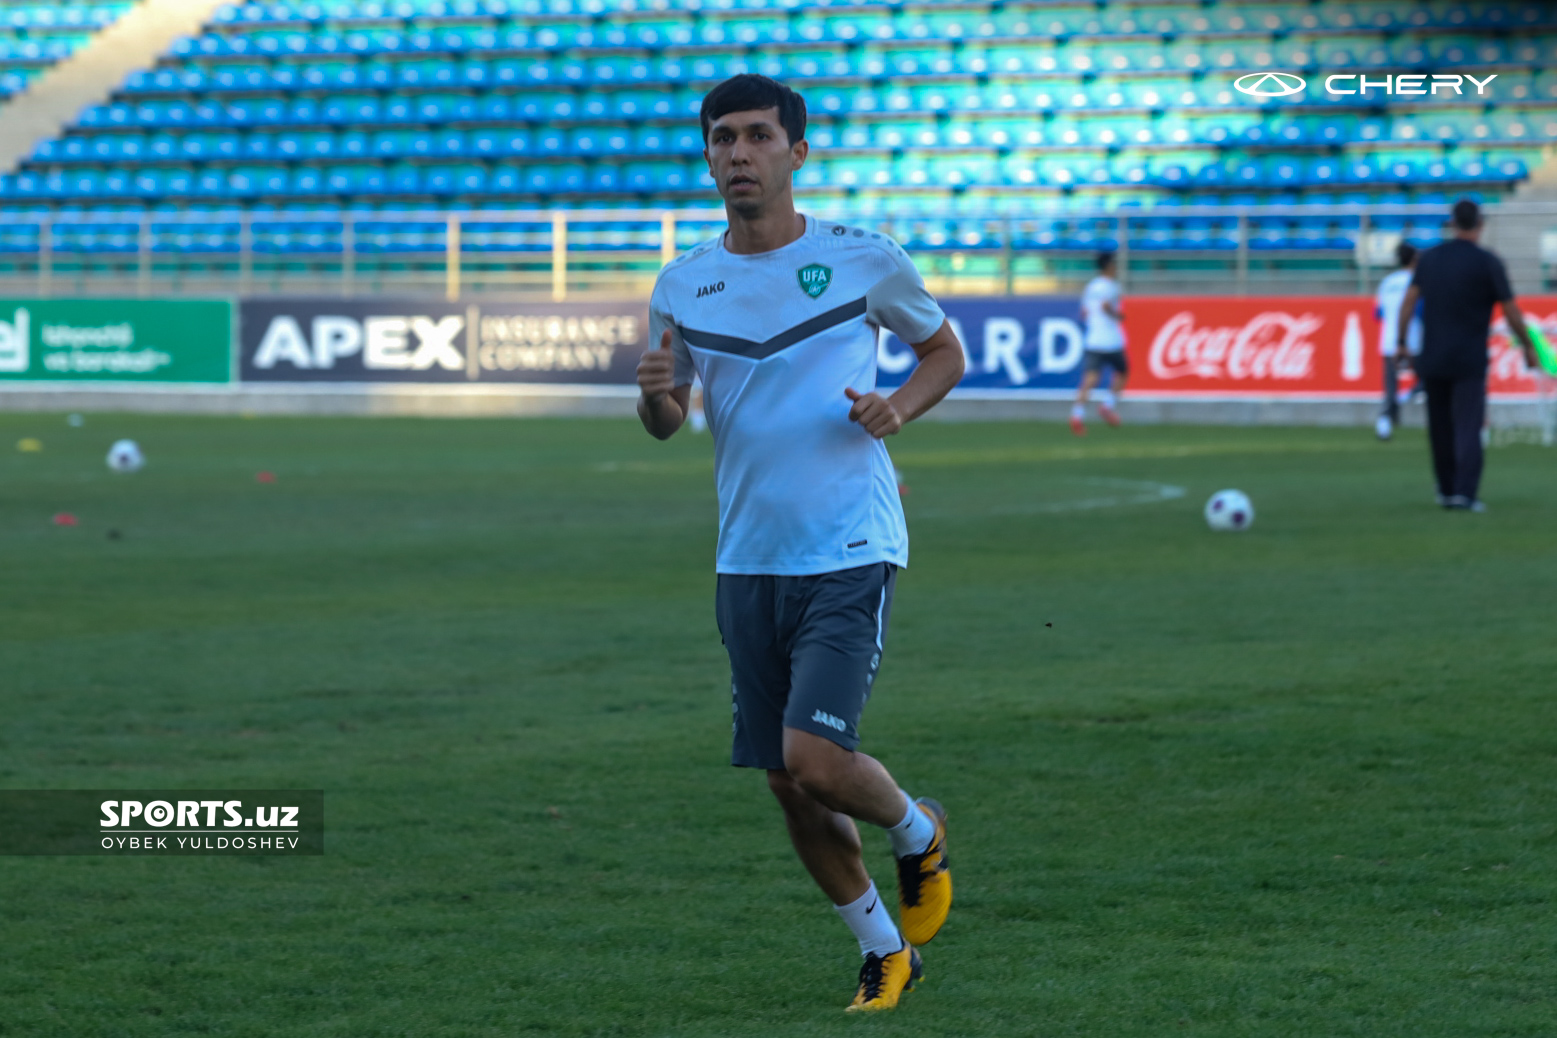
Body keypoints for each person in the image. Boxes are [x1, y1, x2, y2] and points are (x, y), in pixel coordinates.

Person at [635, 74, 965, 1013]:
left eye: (756, 138)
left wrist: (894, 406)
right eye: (721, 139)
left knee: (818, 760)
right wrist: (654, 391)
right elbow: (667, 420)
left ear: (796, 153)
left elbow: (943, 352)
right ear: (706, 156)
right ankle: (885, 950)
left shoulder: (862, 261)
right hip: (746, 558)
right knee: (788, 786)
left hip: (847, 545)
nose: (737, 154)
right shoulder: (682, 281)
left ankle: (916, 830)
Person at [1397, 199, 1538, 510]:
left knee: (1440, 427)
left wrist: (1402, 341)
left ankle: (1445, 490)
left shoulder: (1430, 259)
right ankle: (1465, 493)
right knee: (1467, 425)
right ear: (1480, 224)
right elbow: (1510, 309)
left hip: (1432, 355)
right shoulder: (1487, 261)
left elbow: (1408, 302)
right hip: (1468, 357)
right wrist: (1527, 344)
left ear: (1452, 222)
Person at [1070, 251, 1127, 436]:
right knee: (1123, 372)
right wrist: (1117, 315)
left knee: (1089, 380)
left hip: (1093, 339)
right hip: (1110, 340)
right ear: (1109, 266)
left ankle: (1076, 415)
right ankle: (1107, 406)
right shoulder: (1111, 286)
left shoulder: (1090, 287)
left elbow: (1084, 313)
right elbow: (1105, 306)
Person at [1373, 242, 1423, 440]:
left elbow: (1377, 314)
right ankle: (1406, 397)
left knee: (1390, 385)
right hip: (1415, 340)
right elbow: (1422, 311)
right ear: (1414, 259)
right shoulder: (1418, 281)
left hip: (1389, 342)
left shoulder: (1387, 282)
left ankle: (1384, 423)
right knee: (1426, 379)